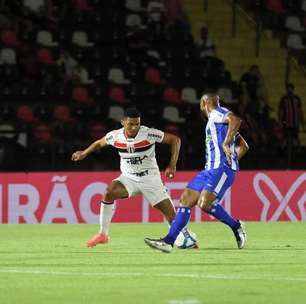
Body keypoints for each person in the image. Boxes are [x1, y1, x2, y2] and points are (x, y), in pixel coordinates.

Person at [71, 107, 197, 248]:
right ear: (123, 122)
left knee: (172, 218)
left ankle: (188, 241)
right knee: (109, 192)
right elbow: (99, 143)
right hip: (129, 178)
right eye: (131, 124)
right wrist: (84, 153)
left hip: (150, 180)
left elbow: (175, 140)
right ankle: (103, 234)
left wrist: (172, 165)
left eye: (137, 124)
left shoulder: (148, 134)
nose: (134, 127)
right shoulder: (115, 136)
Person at [144, 94, 249, 253]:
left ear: (204, 103)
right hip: (209, 169)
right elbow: (244, 146)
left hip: (221, 169)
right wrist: (233, 154)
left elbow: (236, 120)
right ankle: (169, 241)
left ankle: (236, 225)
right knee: (186, 199)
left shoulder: (217, 114)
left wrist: (227, 147)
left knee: (205, 203)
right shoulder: (219, 125)